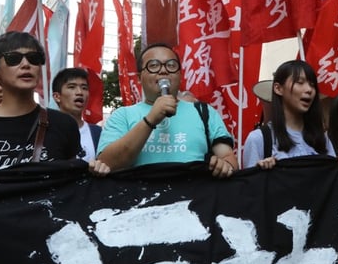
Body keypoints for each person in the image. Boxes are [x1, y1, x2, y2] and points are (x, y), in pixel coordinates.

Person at [0, 34, 108, 182]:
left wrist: (96, 172)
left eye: (33, 58)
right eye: (13, 59)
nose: (26, 64)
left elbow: (73, 183)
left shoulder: (64, 124)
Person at [98, 43, 236, 176]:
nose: (163, 70)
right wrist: (150, 120)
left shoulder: (204, 112)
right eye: (153, 65)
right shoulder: (122, 115)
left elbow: (228, 158)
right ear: (139, 78)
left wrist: (224, 166)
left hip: (193, 196)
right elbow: (107, 163)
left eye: (171, 65)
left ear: (180, 75)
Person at [243, 60, 336, 169]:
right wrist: (261, 171)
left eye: (312, 85)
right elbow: (251, 183)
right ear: (278, 88)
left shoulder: (322, 139)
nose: (309, 90)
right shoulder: (258, 139)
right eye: (300, 82)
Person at [52, 66, 102, 161]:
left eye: (84, 88)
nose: (79, 92)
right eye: (72, 87)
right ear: (57, 97)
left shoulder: (98, 133)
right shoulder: (45, 130)